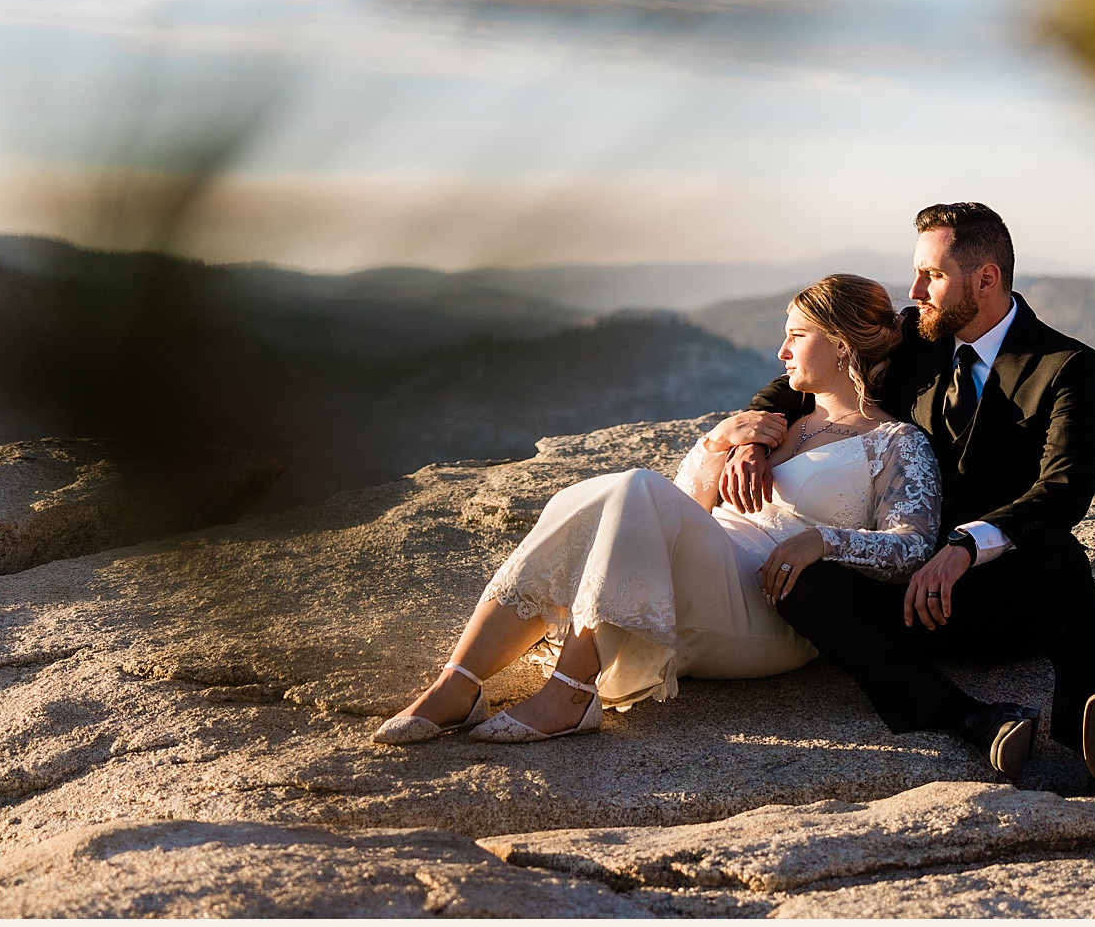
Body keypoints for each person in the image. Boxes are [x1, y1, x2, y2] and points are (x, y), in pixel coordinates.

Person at [373, 274, 941, 744]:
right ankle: (459, 681)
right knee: (605, 493)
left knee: (634, 487)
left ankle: (570, 694)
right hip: (708, 569)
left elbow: (914, 548)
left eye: (796, 335)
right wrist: (721, 441)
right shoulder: (775, 427)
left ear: (842, 345)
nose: (782, 351)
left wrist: (825, 541)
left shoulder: (896, 442)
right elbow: (681, 505)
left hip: (774, 609)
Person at [711, 202, 1095, 789]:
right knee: (801, 574)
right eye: (917, 272)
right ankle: (972, 720)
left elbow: (1065, 489)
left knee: (1057, 550)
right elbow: (806, 370)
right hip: (901, 591)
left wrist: (967, 545)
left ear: (986, 279)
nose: (914, 290)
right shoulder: (914, 338)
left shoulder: (1065, 366)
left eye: (934, 277)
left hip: (999, 599)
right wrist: (755, 440)